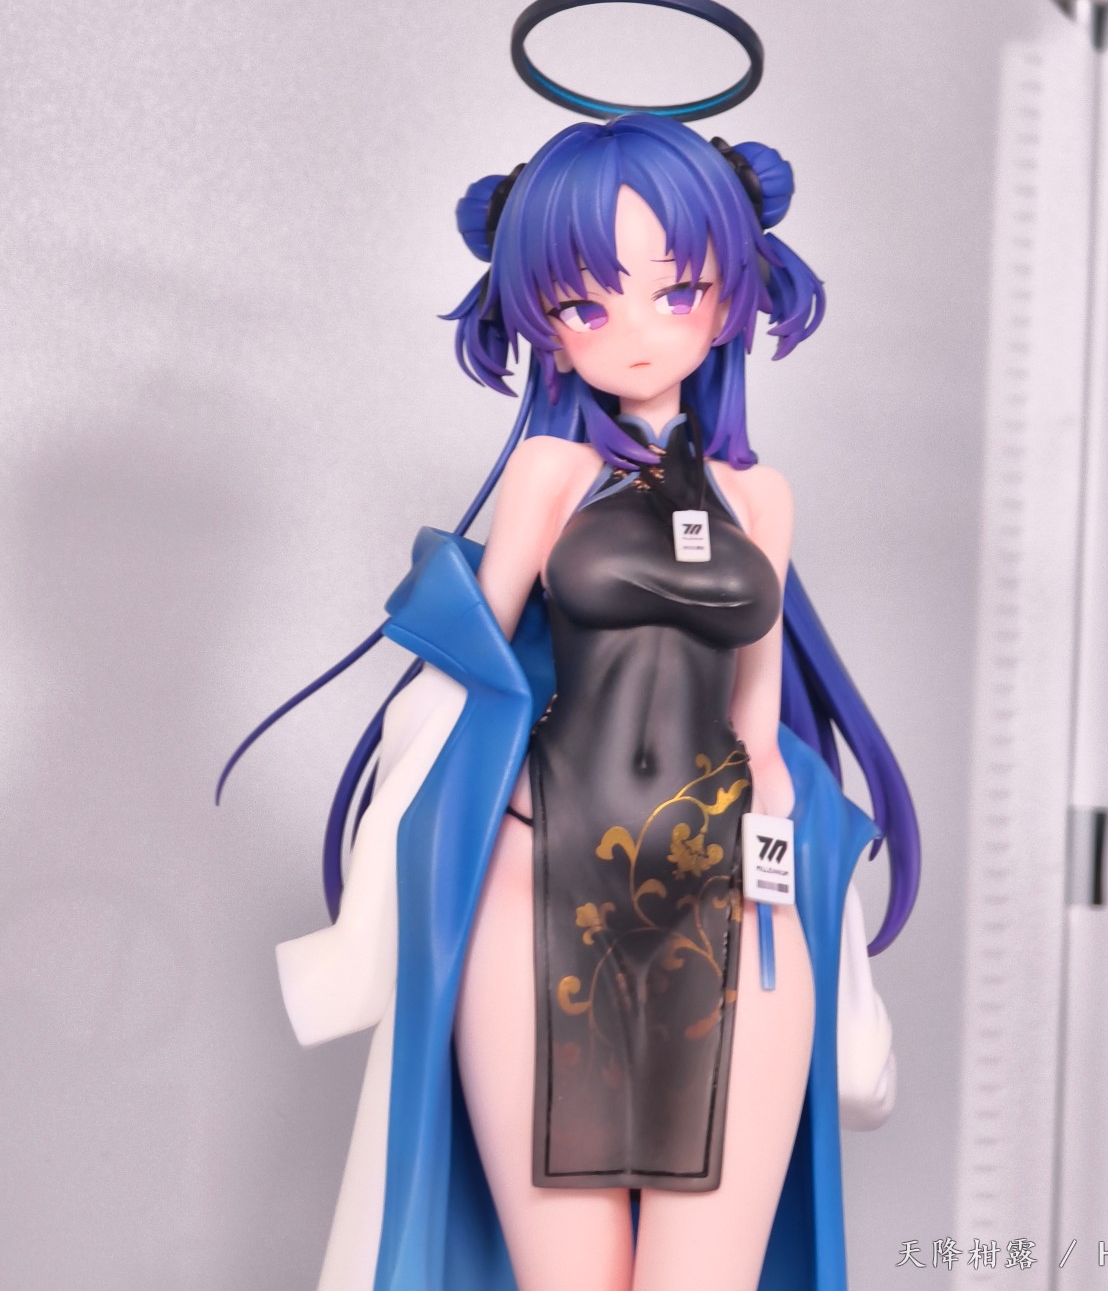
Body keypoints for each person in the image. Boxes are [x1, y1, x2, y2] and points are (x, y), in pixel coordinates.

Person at [232, 110, 919, 1291]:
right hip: (541, 883)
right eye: (588, 305)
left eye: (677, 290)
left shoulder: (760, 497)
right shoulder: (550, 474)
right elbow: (473, 672)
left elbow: (757, 716)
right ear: (541, 323)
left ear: (731, 294)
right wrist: (405, 843)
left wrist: (780, 865)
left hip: (728, 886)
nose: (639, 332)